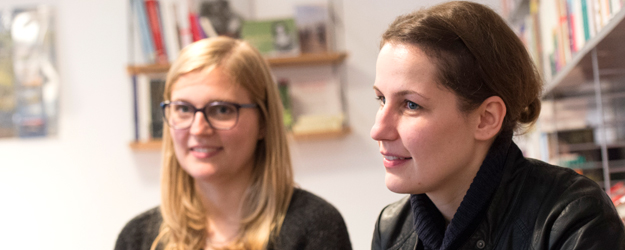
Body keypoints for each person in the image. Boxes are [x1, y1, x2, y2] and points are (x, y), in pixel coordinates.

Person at [369, 2, 625, 250]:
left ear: (486, 118)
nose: (377, 130)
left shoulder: (572, 218)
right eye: (381, 99)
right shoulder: (391, 229)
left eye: (411, 105)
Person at [115, 37, 352, 250]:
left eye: (222, 110)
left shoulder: (314, 227)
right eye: (184, 109)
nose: (198, 129)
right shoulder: (137, 239)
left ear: (263, 122)